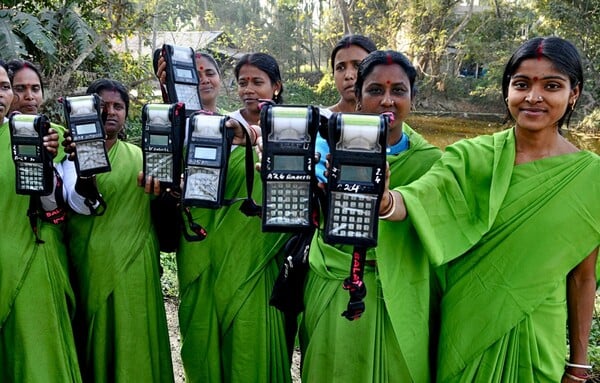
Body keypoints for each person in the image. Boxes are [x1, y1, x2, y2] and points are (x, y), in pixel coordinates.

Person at [379, 37, 599, 382]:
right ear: (507, 90)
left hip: (539, 334)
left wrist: (580, 360)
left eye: (551, 85)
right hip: (467, 325)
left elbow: (583, 277)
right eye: (521, 84)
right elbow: (422, 198)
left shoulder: (590, 177)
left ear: (573, 93)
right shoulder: (472, 157)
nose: (533, 97)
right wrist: (386, 200)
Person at [298, 50, 442, 382]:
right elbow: (313, 218)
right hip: (334, 281)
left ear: (412, 98)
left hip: (402, 293)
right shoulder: (325, 151)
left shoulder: (432, 162)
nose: (387, 100)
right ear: (359, 98)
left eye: (398, 91)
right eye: (375, 90)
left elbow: (438, 230)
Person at [175, 52, 292, 382]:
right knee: (210, 342)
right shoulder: (221, 127)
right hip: (216, 251)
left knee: (252, 340)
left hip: (264, 254)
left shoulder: (293, 128)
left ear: (277, 86)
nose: (249, 90)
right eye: (243, 83)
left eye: (258, 82)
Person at [62, 79, 174, 382]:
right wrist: (84, 165)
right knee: (94, 338)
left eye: (118, 106)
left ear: (126, 113)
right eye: (102, 105)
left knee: (134, 333)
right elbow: (77, 201)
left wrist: (166, 192)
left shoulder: (142, 157)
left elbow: (164, 210)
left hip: (136, 262)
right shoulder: (68, 152)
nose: (110, 112)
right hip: (89, 261)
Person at [0, 59, 82, 382]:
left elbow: (60, 203)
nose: (22, 95)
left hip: (30, 257)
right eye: (17, 87)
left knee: (37, 358)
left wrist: (46, 160)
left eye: (5, 87)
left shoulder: (47, 138)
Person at [155, 50, 224, 113]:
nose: (205, 80)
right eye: (196, 76)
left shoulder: (231, 122)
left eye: (210, 74)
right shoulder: (178, 123)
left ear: (220, 78)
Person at [328, 34, 377, 113]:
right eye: (340, 68)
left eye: (358, 65)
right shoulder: (319, 121)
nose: (348, 75)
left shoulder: (389, 122)